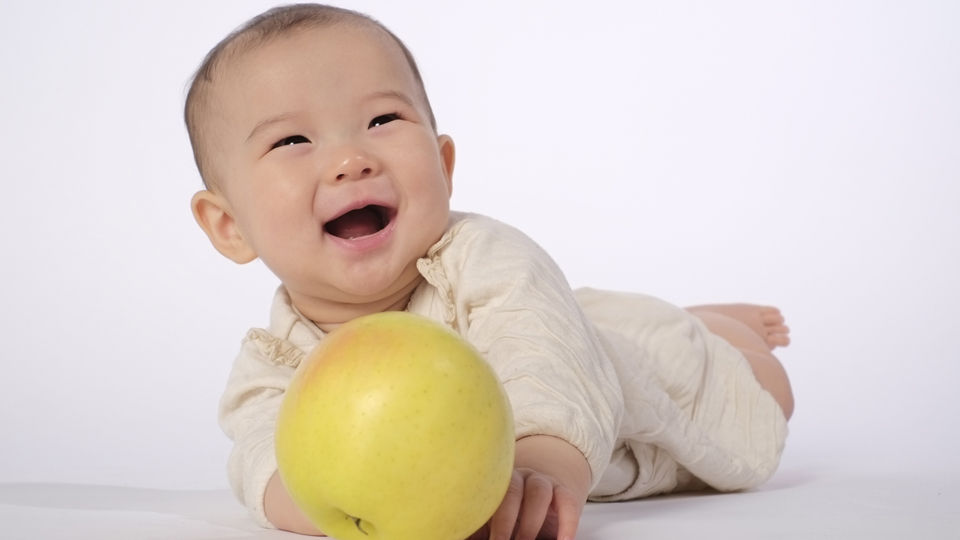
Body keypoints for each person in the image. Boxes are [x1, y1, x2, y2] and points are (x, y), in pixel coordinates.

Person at [185, 4, 794, 539]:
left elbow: (544, 355)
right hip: (577, 330)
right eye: (293, 140)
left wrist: (544, 465)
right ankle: (686, 318)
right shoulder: (274, 363)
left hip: (624, 398)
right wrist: (337, 507)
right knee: (595, 323)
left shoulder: (483, 257)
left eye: (383, 121)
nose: (350, 159)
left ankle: (705, 328)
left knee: (763, 383)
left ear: (444, 164)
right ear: (229, 225)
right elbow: (262, 455)